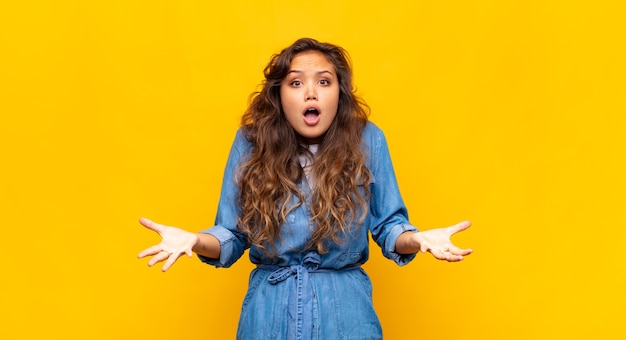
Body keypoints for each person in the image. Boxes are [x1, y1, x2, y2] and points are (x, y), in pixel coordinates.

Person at [138, 37, 472, 340]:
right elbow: (231, 234)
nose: (310, 93)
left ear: (339, 93)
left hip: (346, 315)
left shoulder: (368, 140)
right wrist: (196, 241)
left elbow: (389, 228)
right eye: (296, 82)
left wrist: (418, 239)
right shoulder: (250, 144)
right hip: (267, 315)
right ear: (279, 95)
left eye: (323, 82)